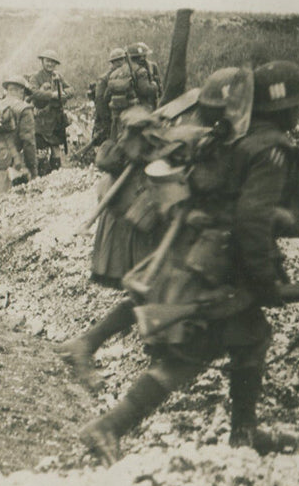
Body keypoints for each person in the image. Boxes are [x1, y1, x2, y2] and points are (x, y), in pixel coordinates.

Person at [79, 61, 299, 462]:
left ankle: (244, 432)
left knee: (252, 337)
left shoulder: (228, 138)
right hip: (224, 266)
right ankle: (109, 426)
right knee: (188, 356)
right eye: (298, 105)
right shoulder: (269, 148)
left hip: (209, 258)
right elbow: (252, 220)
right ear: (283, 107)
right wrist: (264, 279)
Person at [58, 66, 253, 391]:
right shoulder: (199, 139)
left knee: (153, 290)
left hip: (157, 221)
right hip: (158, 222)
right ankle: (147, 378)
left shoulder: (191, 128)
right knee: (162, 293)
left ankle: (89, 345)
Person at [27, 50, 73, 176]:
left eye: (53, 62)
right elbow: (33, 93)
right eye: (48, 61)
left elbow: (71, 89)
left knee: (56, 148)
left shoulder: (58, 76)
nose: (50, 64)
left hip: (56, 118)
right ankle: (42, 177)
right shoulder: (36, 77)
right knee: (41, 150)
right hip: (41, 118)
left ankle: (55, 175)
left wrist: (64, 93)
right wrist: (51, 95)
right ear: (42, 61)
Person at [90, 47, 127, 146]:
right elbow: (99, 101)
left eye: (122, 60)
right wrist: (106, 119)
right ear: (112, 62)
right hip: (107, 116)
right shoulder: (104, 79)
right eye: (117, 61)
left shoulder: (125, 75)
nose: (120, 63)